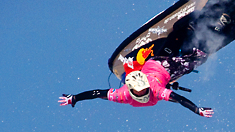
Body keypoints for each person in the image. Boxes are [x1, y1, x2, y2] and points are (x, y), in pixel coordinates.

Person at [59, 48, 213, 118]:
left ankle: (180, 40)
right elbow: (98, 94)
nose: (143, 91)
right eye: (140, 90)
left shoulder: (150, 89)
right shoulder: (125, 95)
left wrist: (75, 98)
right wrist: (196, 110)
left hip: (156, 64)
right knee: (199, 58)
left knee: (183, 51)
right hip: (168, 72)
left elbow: (97, 93)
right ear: (132, 91)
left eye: (144, 88)